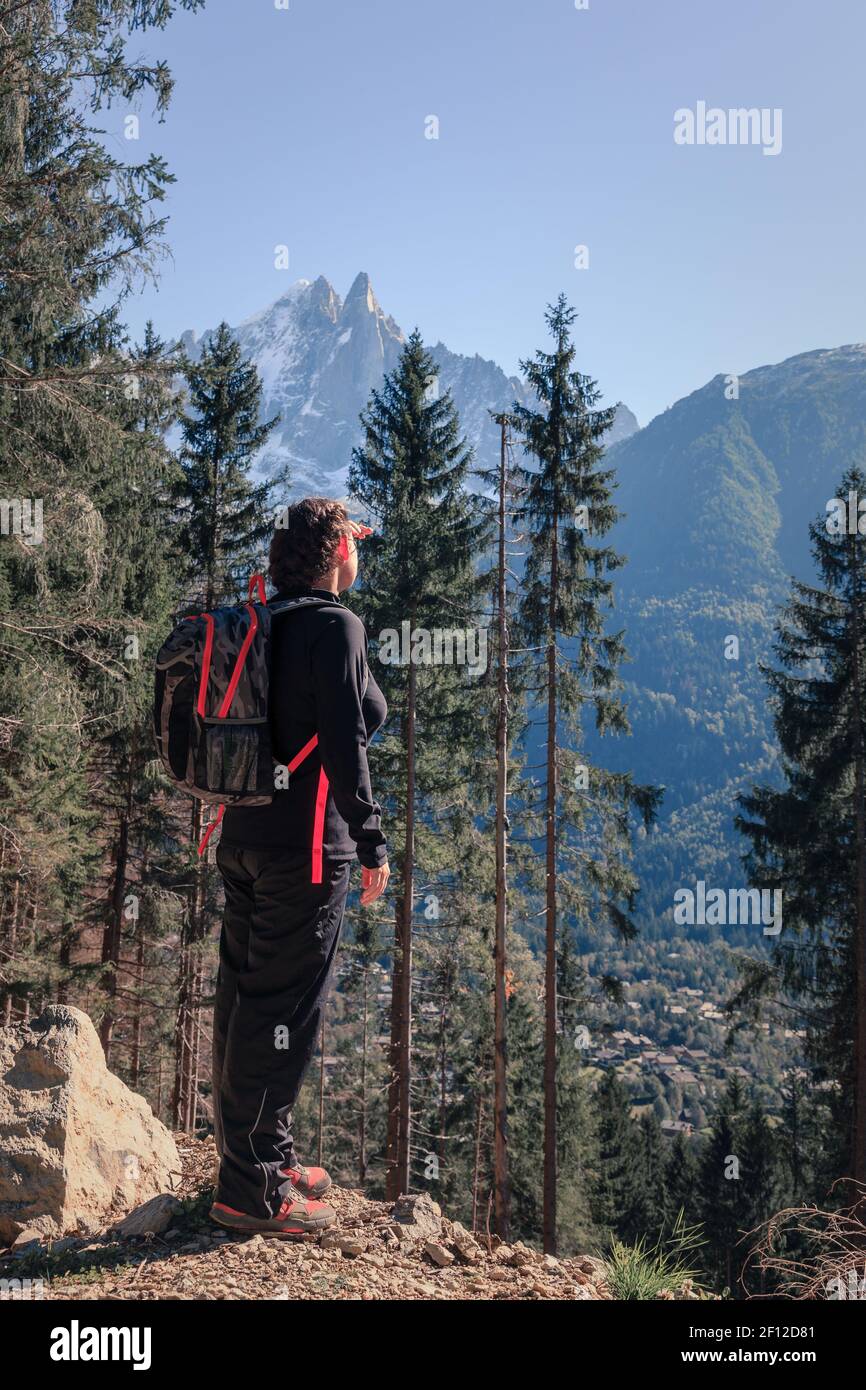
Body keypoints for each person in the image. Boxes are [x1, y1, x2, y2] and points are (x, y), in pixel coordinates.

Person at [209, 497, 390, 1235]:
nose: (361, 551)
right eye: (355, 540)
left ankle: (256, 1159)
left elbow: (345, 713)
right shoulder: (336, 626)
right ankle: (253, 1192)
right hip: (308, 848)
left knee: (244, 1000)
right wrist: (372, 838)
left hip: (244, 836)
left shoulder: (269, 620)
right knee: (282, 1012)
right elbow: (348, 741)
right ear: (337, 553)